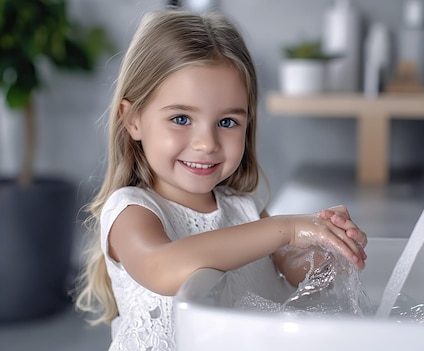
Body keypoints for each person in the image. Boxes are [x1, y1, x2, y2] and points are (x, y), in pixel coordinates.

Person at [74, 8, 368, 351]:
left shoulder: (242, 208)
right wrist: (288, 228)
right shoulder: (132, 212)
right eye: (181, 118)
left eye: (227, 122)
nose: (207, 143)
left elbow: (295, 274)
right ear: (134, 119)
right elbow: (163, 267)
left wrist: (327, 245)